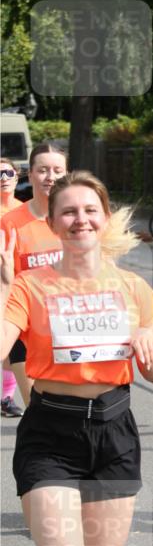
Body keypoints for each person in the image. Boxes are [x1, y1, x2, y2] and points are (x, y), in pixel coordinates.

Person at [1, 170, 153, 546]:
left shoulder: (133, 288)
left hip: (115, 429)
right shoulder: (31, 286)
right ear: (51, 223)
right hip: (50, 430)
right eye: (68, 212)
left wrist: (148, 342)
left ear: (104, 217)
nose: (80, 220)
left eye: (89, 210)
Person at [1, 143, 68, 411]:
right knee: (37, 411)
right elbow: (6, 280)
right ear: (30, 175)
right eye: (42, 170)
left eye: (57, 170)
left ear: (67, 174)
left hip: (68, 328)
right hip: (26, 327)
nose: (50, 176)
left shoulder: (76, 219)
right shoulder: (11, 223)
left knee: (69, 413)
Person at [0, 157, 23, 416]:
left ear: (17, 177)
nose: (3, 177)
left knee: (11, 341)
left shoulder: (24, 212)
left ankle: (6, 398)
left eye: (8, 172)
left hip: (15, 284)